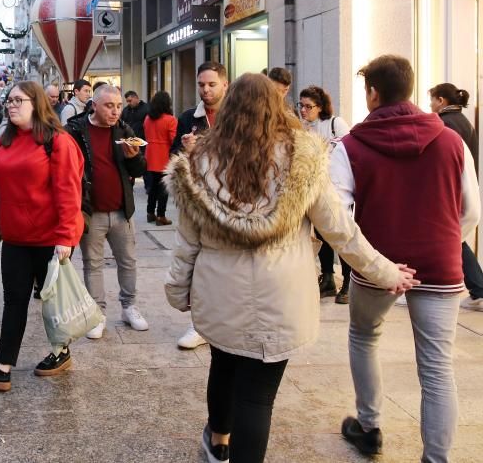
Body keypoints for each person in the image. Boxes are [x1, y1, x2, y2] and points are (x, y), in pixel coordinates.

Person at [165, 73, 417, 463]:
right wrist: (386, 272)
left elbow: (187, 243)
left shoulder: (198, 163)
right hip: (280, 299)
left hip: (219, 294)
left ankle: (217, 442)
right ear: (277, 107)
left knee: (224, 365)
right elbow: (341, 231)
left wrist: (178, 291)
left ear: (228, 109)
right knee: (257, 398)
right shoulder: (303, 160)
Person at [334, 57, 480, 461]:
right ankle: (436, 458)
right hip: (440, 266)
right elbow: (471, 210)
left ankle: (368, 425)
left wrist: (370, 260)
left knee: (364, 335)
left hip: (377, 266)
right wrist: (445, 242)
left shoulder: (351, 146)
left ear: (373, 93)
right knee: (436, 368)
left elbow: (338, 218)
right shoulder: (452, 141)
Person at [0, 81, 85, 392]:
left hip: (49, 240)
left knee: (53, 303)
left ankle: (61, 352)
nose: (11, 105)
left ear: (37, 103)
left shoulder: (57, 142)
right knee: (14, 302)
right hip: (15, 238)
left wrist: (66, 237)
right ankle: (2, 367)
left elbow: (69, 192)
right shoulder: (6, 141)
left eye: (18, 100)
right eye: (9, 100)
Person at [65, 85, 148, 339]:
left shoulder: (124, 130)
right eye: (109, 106)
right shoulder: (76, 131)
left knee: (128, 261)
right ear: (94, 105)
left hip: (121, 210)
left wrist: (133, 157)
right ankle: (97, 314)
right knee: (93, 265)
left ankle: (129, 307)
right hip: (92, 211)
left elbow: (139, 169)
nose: (115, 111)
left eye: (119, 106)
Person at [170, 61, 229, 351]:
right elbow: (174, 159)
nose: (205, 90)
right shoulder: (187, 118)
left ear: (225, 85)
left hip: (231, 202)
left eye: (211, 84)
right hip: (197, 202)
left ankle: (227, 320)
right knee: (197, 262)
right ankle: (199, 324)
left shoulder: (237, 116)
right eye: (201, 85)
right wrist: (185, 149)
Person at [428, 82, 483, 312]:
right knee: (456, 240)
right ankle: (478, 289)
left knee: (452, 240)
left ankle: (478, 289)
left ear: (441, 100)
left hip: (449, 192)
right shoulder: (464, 122)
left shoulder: (444, 124)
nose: (430, 104)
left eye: (432, 99)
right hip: (462, 188)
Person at [298, 85, 353, 304]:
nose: (303, 110)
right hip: (316, 188)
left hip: (338, 189)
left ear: (320, 107)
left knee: (341, 233)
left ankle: (348, 280)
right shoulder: (304, 127)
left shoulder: (334, 123)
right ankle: (328, 277)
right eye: (301, 106)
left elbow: (350, 149)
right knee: (322, 234)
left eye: (308, 106)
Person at [143, 90, 177, 225]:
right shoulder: (170, 120)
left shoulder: (147, 118)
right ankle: (161, 216)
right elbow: (174, 139)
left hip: (150, 156)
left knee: (153, 187)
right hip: (164, 157)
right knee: (164, 189)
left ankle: (150, 213)